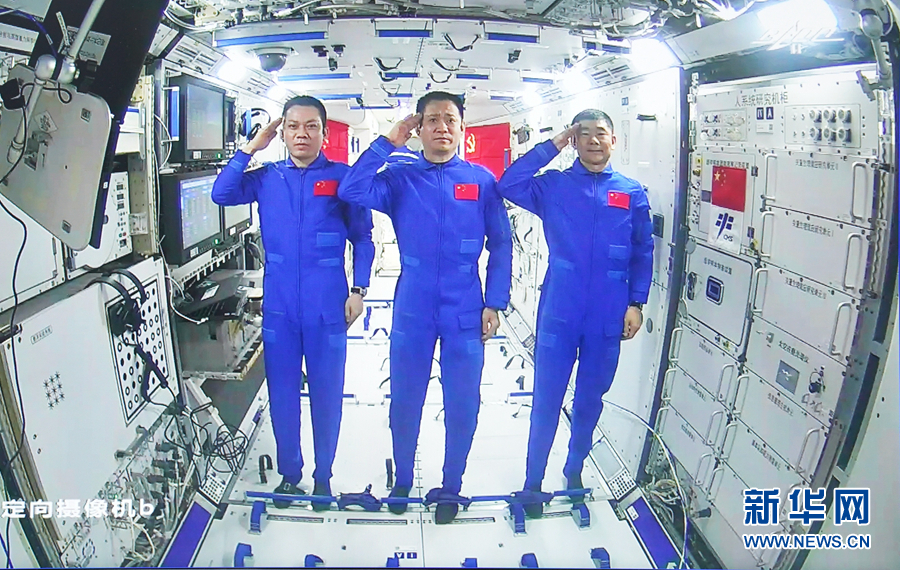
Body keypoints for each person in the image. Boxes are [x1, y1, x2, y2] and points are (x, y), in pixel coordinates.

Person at [337, 92, 512, 523]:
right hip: (414, 303)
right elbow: (351, 188)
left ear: (462, 127)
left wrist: (495, 302)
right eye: (432, 119)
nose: (442, 127)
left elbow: (502, 244)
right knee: (405, 397)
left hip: (465, 303)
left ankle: (451, 486)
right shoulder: (400, 178)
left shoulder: (482, 180)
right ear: (419, 128)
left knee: (463, 401)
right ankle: (401, 481)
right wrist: (389, 141)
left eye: (450, 119)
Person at [212, 96, 375, 510]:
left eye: (311, 126)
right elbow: (221, 193)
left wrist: (359, 290)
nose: (302, 134)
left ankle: (323, 476)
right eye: (292, 126)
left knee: (327, 393)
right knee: (282, 395)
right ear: (281, 132)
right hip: (280, 309)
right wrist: (252, 147)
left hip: (328, 306)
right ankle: (290, 473)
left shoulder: (342, 179)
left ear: (324, 133)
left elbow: (363, 239)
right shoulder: (266, 178)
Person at [496, 109, 654, 517]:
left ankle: (574, 469)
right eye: (583, 134)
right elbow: (508, 183)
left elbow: (643, 252)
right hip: (560, 308)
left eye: (601, 133)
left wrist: (637, 303)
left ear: (614, 140)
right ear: (574, 140)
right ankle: (533, 481)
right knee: (546, 397)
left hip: (608, 312)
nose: (593, 141)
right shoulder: (554, 185)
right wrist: (552, 145)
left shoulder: (631, 192)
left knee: (589, 399)